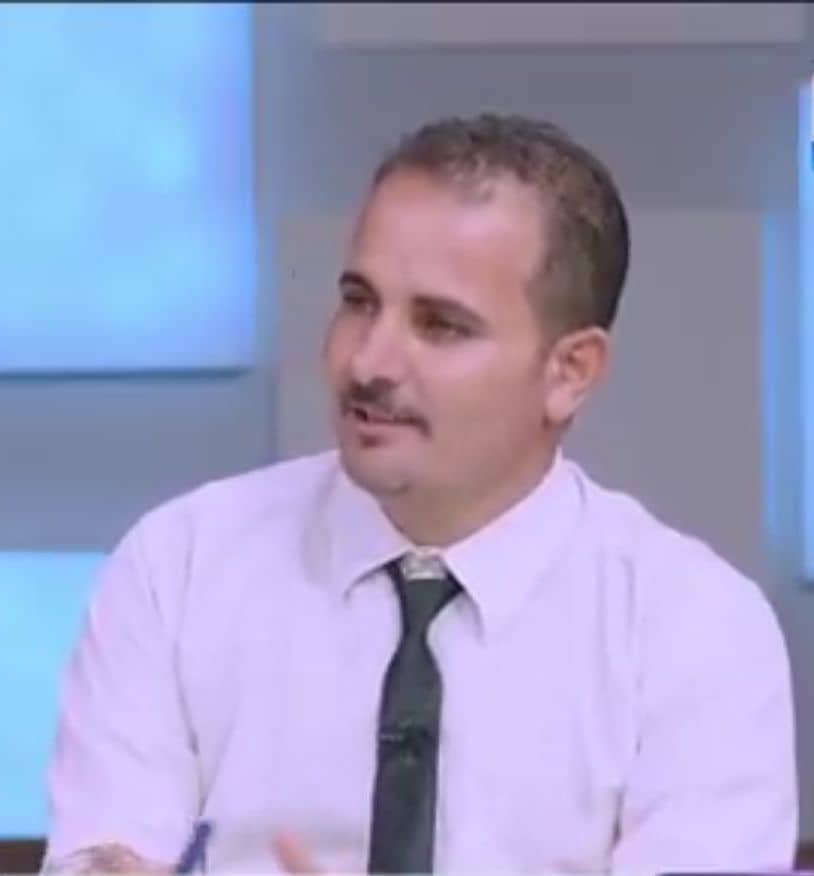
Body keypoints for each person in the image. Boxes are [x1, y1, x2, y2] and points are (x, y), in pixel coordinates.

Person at [43, 114, 797, 874]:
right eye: (359, 301)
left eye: (440, 326)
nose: (368, 362)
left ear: (569, 372)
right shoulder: (179, 566)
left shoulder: (694, 629)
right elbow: (105, 848)